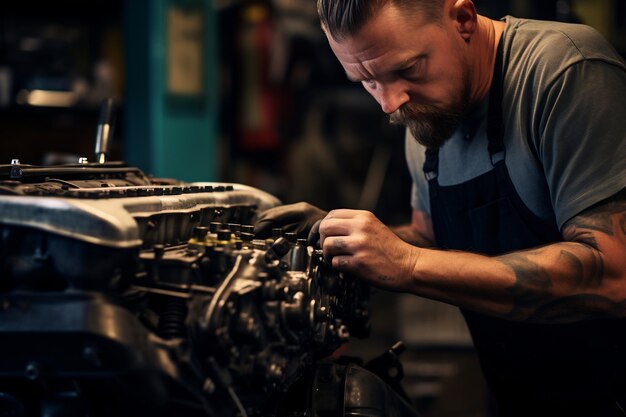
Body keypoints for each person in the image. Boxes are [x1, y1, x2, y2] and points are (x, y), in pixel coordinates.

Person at [254, 0, 626, 415]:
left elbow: (615, 275)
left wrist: (408, 264)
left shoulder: (564, 72)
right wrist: (337, 238)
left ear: (463, 20)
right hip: (521, 396)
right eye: (367, 80)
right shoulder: (426, 111)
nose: (389, 103)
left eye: (407, 69)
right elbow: (429, 238)